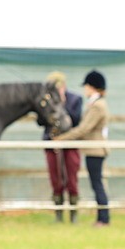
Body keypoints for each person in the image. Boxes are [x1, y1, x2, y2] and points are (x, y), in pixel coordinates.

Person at [52, 70, 110, 226]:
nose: (85, 89)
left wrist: (61, 139)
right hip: (94, 149)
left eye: (86, 86)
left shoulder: (97, 106)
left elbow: (83, 129)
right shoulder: (96, 104)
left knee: (97, 184)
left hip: (95, 149)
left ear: (92, 87)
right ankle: (102, 218)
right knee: (97, 183)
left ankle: (103, 218)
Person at [38, 71, 83, 223]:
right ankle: (58, 214)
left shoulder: (75, 99)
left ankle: (73, 213)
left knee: (72, 177)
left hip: (70, 144)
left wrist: (61, 105)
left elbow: (76, 120)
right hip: (52, 143)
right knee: (55, 178)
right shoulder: (46, 100)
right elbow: (40, 121)